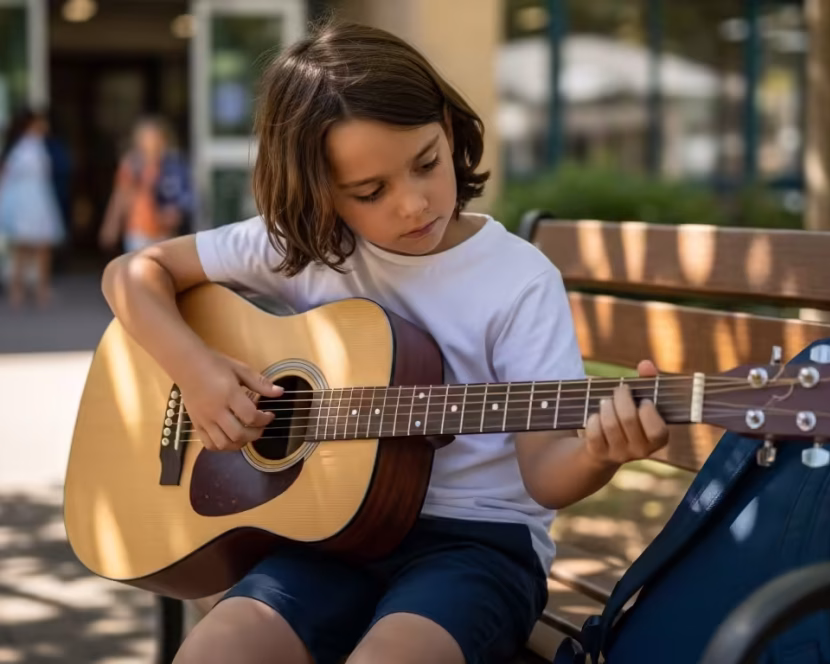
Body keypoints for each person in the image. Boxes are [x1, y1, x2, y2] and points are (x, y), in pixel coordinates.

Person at [100, 21, 669, 664]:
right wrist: (198, 373)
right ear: (321, 197)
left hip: (476, 550)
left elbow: (545, 474)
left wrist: (602, 452)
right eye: (371, 192)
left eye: (426, 162)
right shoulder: (307, 249)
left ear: (449, 129)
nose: (413, 203)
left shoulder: (517, 280)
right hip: (328, 538)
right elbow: (132, 273)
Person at [0, 108, 66, 307]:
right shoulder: (24, 147)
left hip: (34, 199)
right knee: (27, 246)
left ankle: (32, 288)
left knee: (35, 246)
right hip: (27, 201)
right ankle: (24, 288)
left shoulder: (35, 145)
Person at [99, 116, 192, 254]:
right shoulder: (133, 164)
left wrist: (176, 212)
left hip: (165, 232)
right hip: (139, 229)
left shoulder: (173, 166)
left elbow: (183, 196)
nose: (153, 145)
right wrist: (111, 225)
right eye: (149, 140)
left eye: (157, 140)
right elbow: (120, 195)